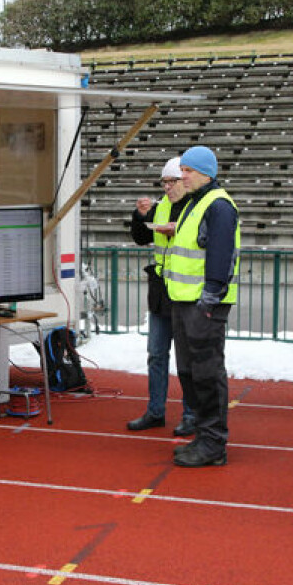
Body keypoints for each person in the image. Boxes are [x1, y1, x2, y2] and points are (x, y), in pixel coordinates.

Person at [165, 146, 240, 468]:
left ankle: (213, 443)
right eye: (182, 170)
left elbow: (221, 256)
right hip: (185, 301)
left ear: (206, 173)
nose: (182, 176)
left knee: (207, 373)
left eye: (188, 171)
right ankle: (203, 435)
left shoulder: (218, 206)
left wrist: (209, 299)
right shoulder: (195, 203)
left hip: (203, 304)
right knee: (190, 372)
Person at [126, 157, 195, 435]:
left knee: (187, 360)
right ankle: (155, 411)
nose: (167, 187)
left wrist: (179, 230)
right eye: (164, 182)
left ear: (185, 180)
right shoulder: (161, 207)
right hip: (161, 292)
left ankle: (191, 415)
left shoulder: (197, 207)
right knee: (156, 355)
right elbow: (141, 238)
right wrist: (140, 216)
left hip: (187, 294)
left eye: (172, 181)